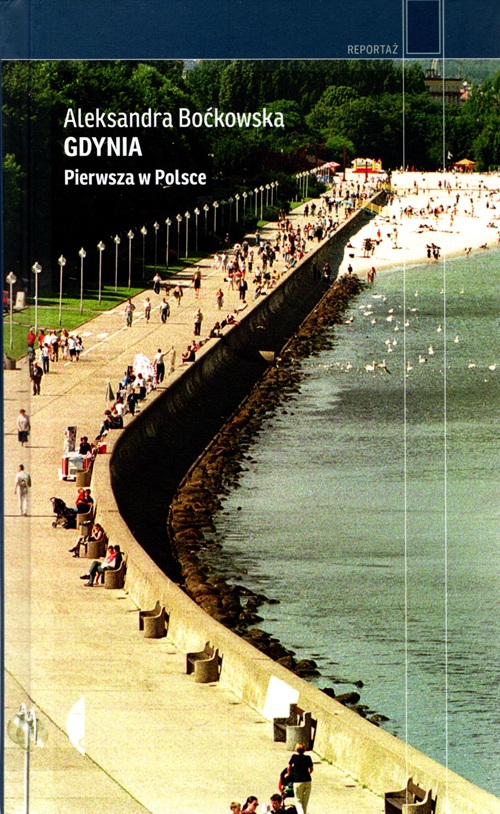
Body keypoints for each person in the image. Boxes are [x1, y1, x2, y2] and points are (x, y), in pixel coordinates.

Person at [286, 743, 313, 814]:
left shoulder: (294, 757)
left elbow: (289, 766)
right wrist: (307, 774)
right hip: (308, 780)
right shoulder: (308, 758)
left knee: (298, 801)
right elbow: (311, 769)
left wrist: (288, 774)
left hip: (298, 781)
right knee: (305, 802)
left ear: (296, 749)